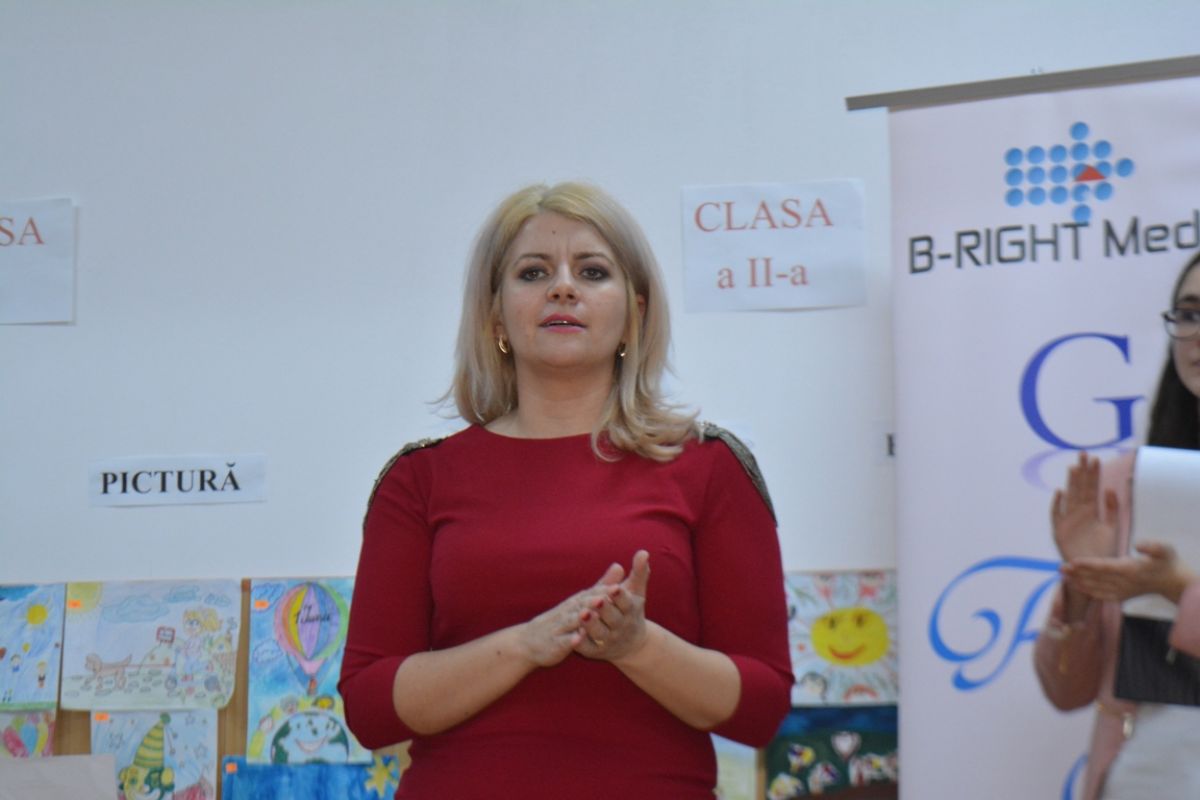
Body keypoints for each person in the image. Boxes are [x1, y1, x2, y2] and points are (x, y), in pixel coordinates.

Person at [338, 182, 793, 798]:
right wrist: (528, 644)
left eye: (592, 271)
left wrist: (636, 645)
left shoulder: (709, 467)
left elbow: (760, 709)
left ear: (635, 313)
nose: (562, 288)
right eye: (533, 272)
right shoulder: (418, 480)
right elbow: (370, 709)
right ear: (496, 316)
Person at [1035, 250, 1200, 800]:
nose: (1198, 334)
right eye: (1190, 313)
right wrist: (1083, 585)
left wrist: (1176, 590)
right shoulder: (1125, 482)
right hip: (1143, 774)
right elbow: (1066, 690)